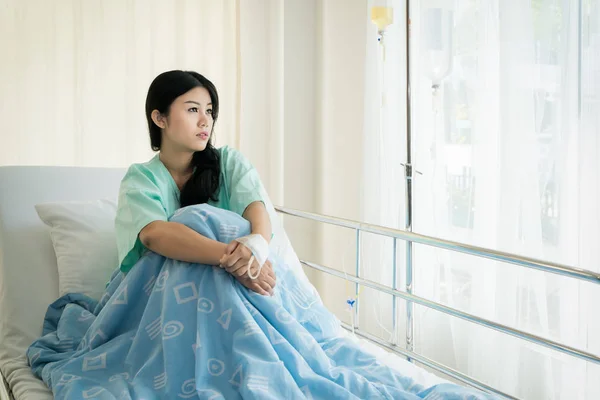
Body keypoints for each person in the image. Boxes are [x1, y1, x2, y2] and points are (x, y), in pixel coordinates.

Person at [114, 70, 276, 296]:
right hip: (168, 292)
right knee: (188, 222)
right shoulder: (141, 178)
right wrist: (234, 261)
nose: (205, 121)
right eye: (193, 109)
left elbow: (256, 209)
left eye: (209, 111)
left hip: (241, 281)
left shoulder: (229, 162)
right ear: (160, 118)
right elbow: (154, 234)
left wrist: (256, 249)